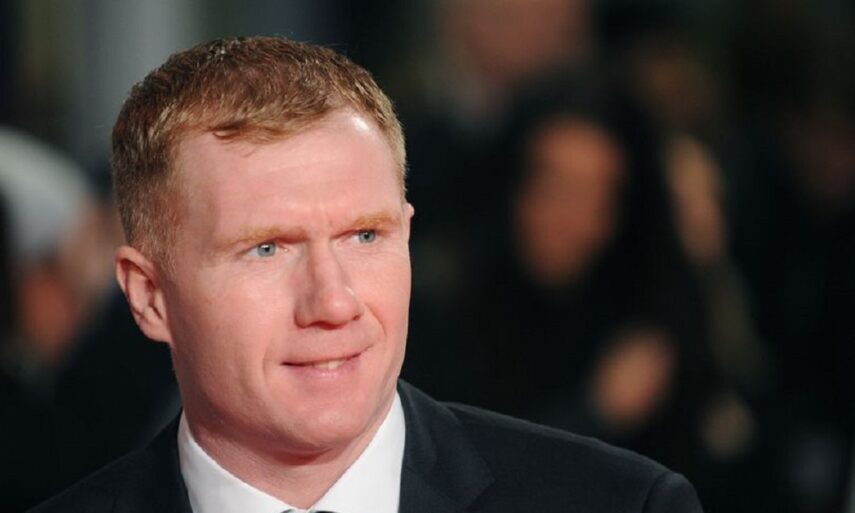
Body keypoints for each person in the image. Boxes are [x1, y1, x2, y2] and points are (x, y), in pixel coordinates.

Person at [30, 36, 703, 513]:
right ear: (149, 296)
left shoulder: (620, 504)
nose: (333, 301)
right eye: (267, 249)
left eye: (364, 236)